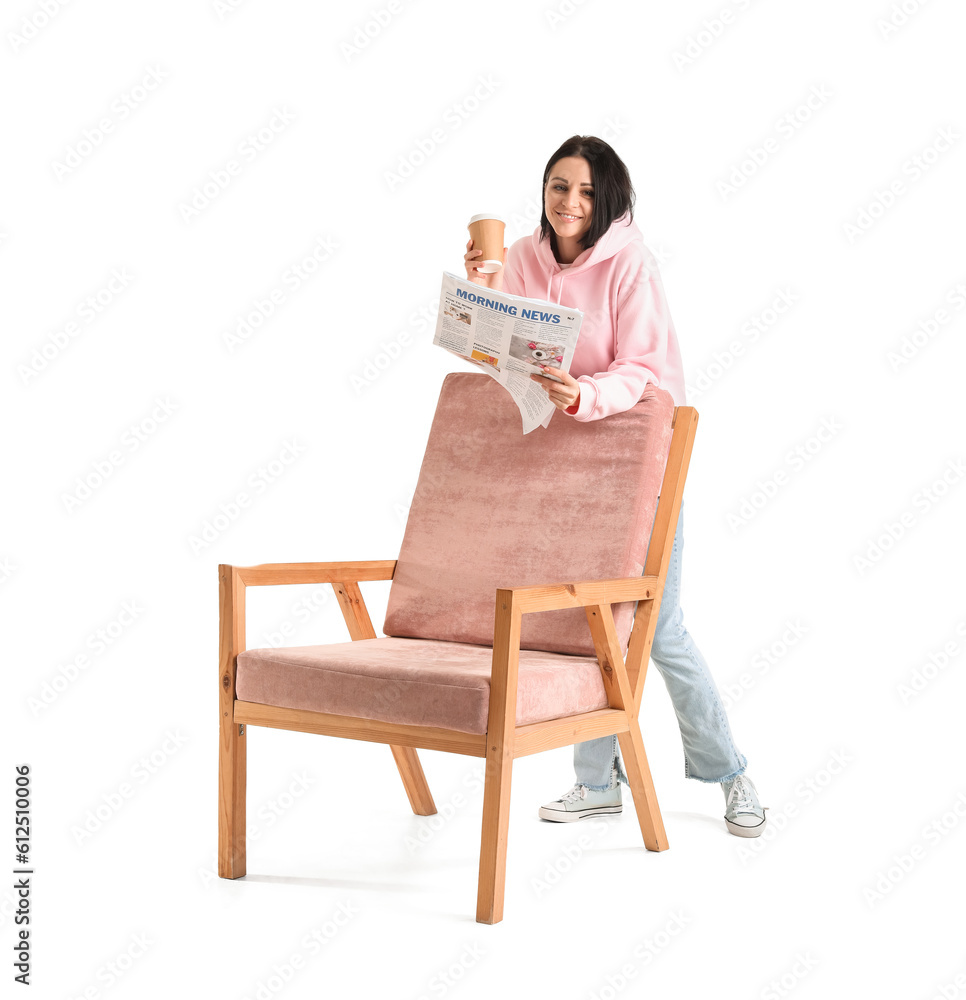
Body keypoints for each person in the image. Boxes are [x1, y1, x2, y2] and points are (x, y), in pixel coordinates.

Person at [462, 134, 767, 838]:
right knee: (586, 623)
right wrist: (479, 286)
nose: (571, 202)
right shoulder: (522, 258)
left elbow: (649, 371)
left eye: (588, 192)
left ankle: (731, 774)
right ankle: (596, 782)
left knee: (659, 628)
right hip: (563, 468)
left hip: (640, 465)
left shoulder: (630, 264)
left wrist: (585, 393)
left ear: (610, 201)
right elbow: (499, 341)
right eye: (560, 186)